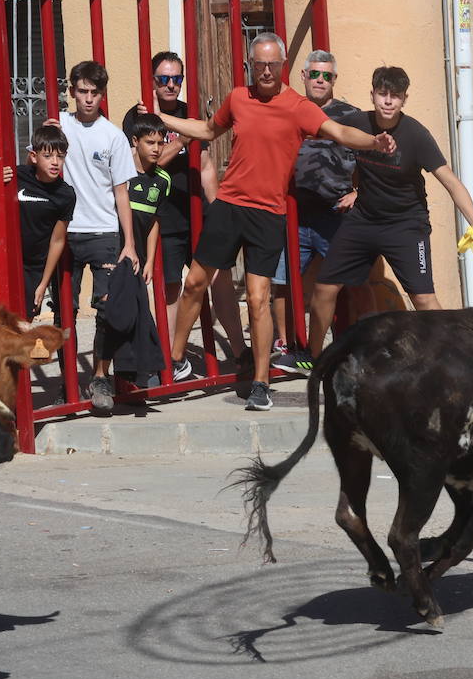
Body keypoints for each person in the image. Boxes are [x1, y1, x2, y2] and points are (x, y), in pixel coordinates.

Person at [155, 32, 395, 412]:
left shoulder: (298, 106)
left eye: (272, 64)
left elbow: (339, 132)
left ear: (282, 66)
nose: (266, 71)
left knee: (258, 298)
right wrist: (163, 117)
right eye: (259, 64)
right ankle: (176, 362)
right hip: (230, 205)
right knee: (194, 283)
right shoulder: (237, 97)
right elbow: (205, 130)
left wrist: (373, 142)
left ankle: (262, 382)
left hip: (267, 214)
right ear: (250, 65)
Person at [306, 65, 473, 359]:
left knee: (424, 299)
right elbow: (320, 128)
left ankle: (461, 358)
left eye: (395, 96)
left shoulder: (416, 135)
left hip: (406, 225)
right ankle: (313, 359)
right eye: (382, 94)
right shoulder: (358, 122)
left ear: (404, 99)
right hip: (363, 220)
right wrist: (356, 191)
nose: (388, 101)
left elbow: (451, 182)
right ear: (373, 95)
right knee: (325, 289)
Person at [269, 50, 372, 375]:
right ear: (303, 76)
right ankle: (285, 346)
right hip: (295, 212)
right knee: (283, 281)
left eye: (327, 75)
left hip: (336, 214)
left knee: (356, 281)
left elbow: (375, 160)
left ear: (334, 80)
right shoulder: (291, 110)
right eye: (314, 74)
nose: (320, 80)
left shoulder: (352, 115)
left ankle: (368, 343)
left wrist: (360, 193)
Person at [145, 52, 251, 368]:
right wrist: (180, 140)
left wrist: (218, 209)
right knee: (172, 287)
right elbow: (146, 164)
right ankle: (170, 358)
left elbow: (205, 165)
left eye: (176, 78)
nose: (171, 85)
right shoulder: (140, 117)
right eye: (164, 78)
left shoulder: (190, 115)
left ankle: (238, 350)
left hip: (196, 209)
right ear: (153, 80)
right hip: (163, 215)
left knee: (219, 277)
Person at [48, 60, 138, 394]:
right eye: (82, 91)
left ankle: (100, 377)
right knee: (64, 312)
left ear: (102, 94)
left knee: (106, 308)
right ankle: (68, 381)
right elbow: (41, 166)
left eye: (94, 92)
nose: (88, 98)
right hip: (65, 233)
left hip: (103, 231)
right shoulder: (59, 127)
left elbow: (121, 192)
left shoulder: (113, 136)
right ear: (72, 91)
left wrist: (129, 243)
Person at [88, 111, 170, 410]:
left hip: (137, 261)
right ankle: (99, 375)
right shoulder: (119, 173)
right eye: (151, 142)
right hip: (113, 254)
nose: (157, 148)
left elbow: (155, 222)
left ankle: (126, 377)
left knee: (134, 317)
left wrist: (149, 261)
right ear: (134, 142)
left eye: (162, 142)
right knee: (108, 313)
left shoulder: (162, 180)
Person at [16, 125, 76, 323]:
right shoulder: (18, 176)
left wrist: (43, 283)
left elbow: (57, 241)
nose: (55, 162)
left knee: (24, 323)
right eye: (48, 156)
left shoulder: (65, 194)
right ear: (34, 156)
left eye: (60, 156)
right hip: (10, 260)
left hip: (35, 267)